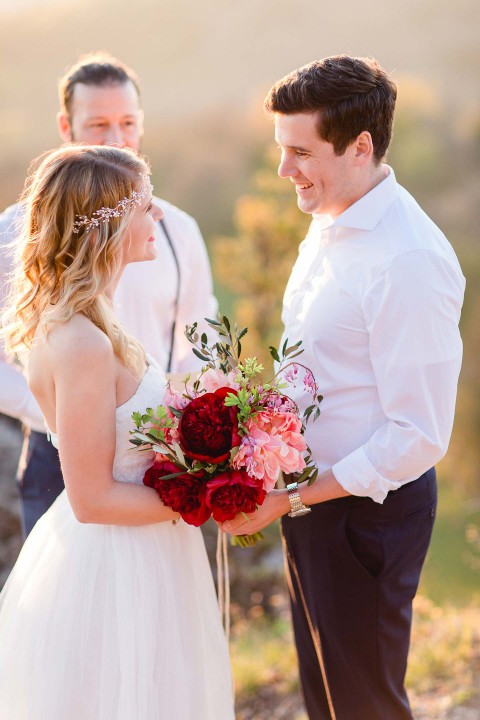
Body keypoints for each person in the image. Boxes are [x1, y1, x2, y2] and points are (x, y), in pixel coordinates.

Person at [223, 56, 465, 719]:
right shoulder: (329, 216)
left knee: (364, 706)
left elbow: (417, 437)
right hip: (314, 507)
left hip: (368, 519)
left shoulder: (405, 259)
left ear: (361, 148)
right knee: (326, 700)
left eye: (300, 151)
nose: (283, 170)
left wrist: (293, 497)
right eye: (281, 150)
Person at [0, 144, 234, 719]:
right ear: (104, 222)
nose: (157, 217)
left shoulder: (99, 319)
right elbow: (92, 497)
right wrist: (208, 495)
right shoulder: (80, 341)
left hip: (151, 547)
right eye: (144, 206)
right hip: (118, 566)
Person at [0, 52, 217, 536]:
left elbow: (200, 336)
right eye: (99, 124)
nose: (116, 139)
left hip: (161, 451)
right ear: (66, 124)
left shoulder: (177, 230)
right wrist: (76, 413)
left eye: (127, 123)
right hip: (57, 453)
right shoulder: (15, 233)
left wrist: (198, 427)